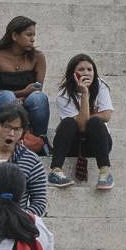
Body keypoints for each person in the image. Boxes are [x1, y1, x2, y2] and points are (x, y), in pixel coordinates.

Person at [49, 54, 116, 190]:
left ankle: (105, 172)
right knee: (68, 123)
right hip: (73, 145)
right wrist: (84, 94)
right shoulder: (63, 94)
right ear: (73, 73)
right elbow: (80, 125)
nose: (86, 73)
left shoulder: (101, 85)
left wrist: (83, 117)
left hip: (97, 143)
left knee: (95, 123)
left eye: (89, 69)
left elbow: (107, 115)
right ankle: (55, 170)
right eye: (81, 69)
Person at [0, 16, 49, 141]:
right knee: (7, 96)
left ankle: (40, 140)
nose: (33, 39)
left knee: (39, 98)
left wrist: (24, 98)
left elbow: (37, 88)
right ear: (14, 36)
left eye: (33, 35)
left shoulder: (38, 57)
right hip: (0, 105)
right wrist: (21, 93)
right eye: (28, 35)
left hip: (27, 104)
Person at [0, 106, 49, 217]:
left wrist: (17, 217)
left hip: (15, 222)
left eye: (17, 129)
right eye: (7, 127)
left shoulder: (32, 160)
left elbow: (40, 202)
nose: (11, 133)